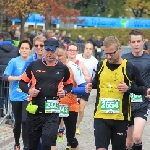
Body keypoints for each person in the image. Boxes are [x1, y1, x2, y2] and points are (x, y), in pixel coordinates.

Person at [87, 36, 150, 150]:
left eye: (111, 53)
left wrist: (128, 88)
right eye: (106, 54)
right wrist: (90, 86)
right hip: (101, 116)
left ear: (119, 49)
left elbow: (143, 88)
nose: (109, 57)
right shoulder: (101, 65)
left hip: (121, 118)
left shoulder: (129, 67)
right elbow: (96, 83)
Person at [19, 38, 73, 150]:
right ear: (43, 50)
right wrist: (29, 91)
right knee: (32, 146)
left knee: (47, 144)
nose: (50, 54)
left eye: (52, 51)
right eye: (47, 50)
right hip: (35, 110)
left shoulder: (63, 68)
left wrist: (65, 91)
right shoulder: (34, 65)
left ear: (57, 51)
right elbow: (22, 83)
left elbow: (69, 84)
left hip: (52, 112)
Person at [122, 29, 150, 150]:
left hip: (143, 102)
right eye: (134, 42)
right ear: (130, 43)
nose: (136, 44)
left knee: (137, 136)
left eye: (139, 41)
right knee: (128, 143)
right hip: (127, 103)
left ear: (143, 41)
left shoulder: (149, 59)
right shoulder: (124, 59)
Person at [56, 46, 88, 150]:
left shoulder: (73, 67)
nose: (57, 58)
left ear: (66, 54)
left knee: (71, 138)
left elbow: (84, 88)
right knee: (49, 136)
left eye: (60, 55)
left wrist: (68, 90)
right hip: (53, 106)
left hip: (70, 106)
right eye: (55, 55)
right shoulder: (50, 66)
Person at [3, 40, 32, 150]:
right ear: (19, 50)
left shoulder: (32, 62)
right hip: (15, 96)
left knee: (25, 121)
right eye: (22, 48)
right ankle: (16, 143)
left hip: (27, 96)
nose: (24, 50)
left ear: (30, 50)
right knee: (18, 122)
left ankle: (26, 146)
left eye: (27, 48)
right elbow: (5, 76)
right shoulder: (14, 61)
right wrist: (18, 78)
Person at [67, 42, 91, 135]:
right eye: (70, 50)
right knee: (64, 108)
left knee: (80, 109)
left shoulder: (80, 64)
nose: (72, 52)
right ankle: (62, 128)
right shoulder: (64, 63)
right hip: (69, 90)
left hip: (80, 89)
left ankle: (77, 125)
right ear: (67, 51)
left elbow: (88, 78)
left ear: (77, 52)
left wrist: (77, 74)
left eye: (74, 50)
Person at [0, 32, 18, 118]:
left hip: (1, 75)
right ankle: (9, 111)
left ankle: (1, 112)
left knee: (1, 94)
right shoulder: (16, 49)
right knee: (9, 93)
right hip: (11, 76)